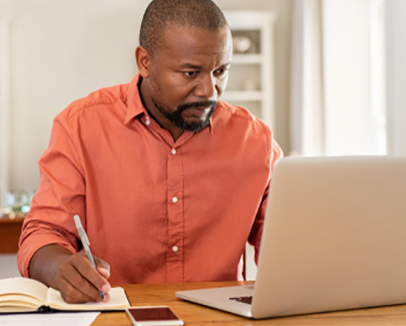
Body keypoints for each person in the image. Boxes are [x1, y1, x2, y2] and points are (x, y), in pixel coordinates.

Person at [17, 0, 283, 304]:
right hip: (114, 318)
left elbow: (287, 250)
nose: (209, 90)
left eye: (220, 71)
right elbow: (42, 234)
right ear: (144, 62)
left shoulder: (256, 143)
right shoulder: (80, 127)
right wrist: (60, 268)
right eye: (190, 73)